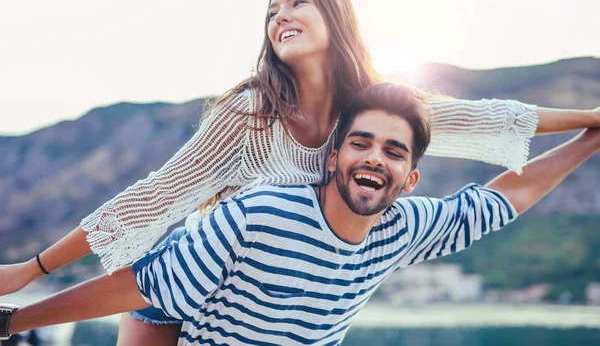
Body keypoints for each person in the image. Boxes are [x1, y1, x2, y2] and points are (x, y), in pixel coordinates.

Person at [1, 0, 598, 345]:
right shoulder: (249, 114)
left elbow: (496, 120)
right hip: (188, 280)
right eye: (271, 10)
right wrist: (31, 270)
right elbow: (152, 199)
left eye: (297, 2)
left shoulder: (374, 112)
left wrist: (592, 122)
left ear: (335, 17)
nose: (280, 16)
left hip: (288, 303)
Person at [2, 83, 599, 345]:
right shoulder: (258, 215)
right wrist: (11, 323)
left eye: (394, 151)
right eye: (362, 143)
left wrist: (589, 137)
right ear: (334, 155)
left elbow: (502, 199)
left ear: (411, 178)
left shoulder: (403, 228)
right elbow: (140, 285)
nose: (375, 159)